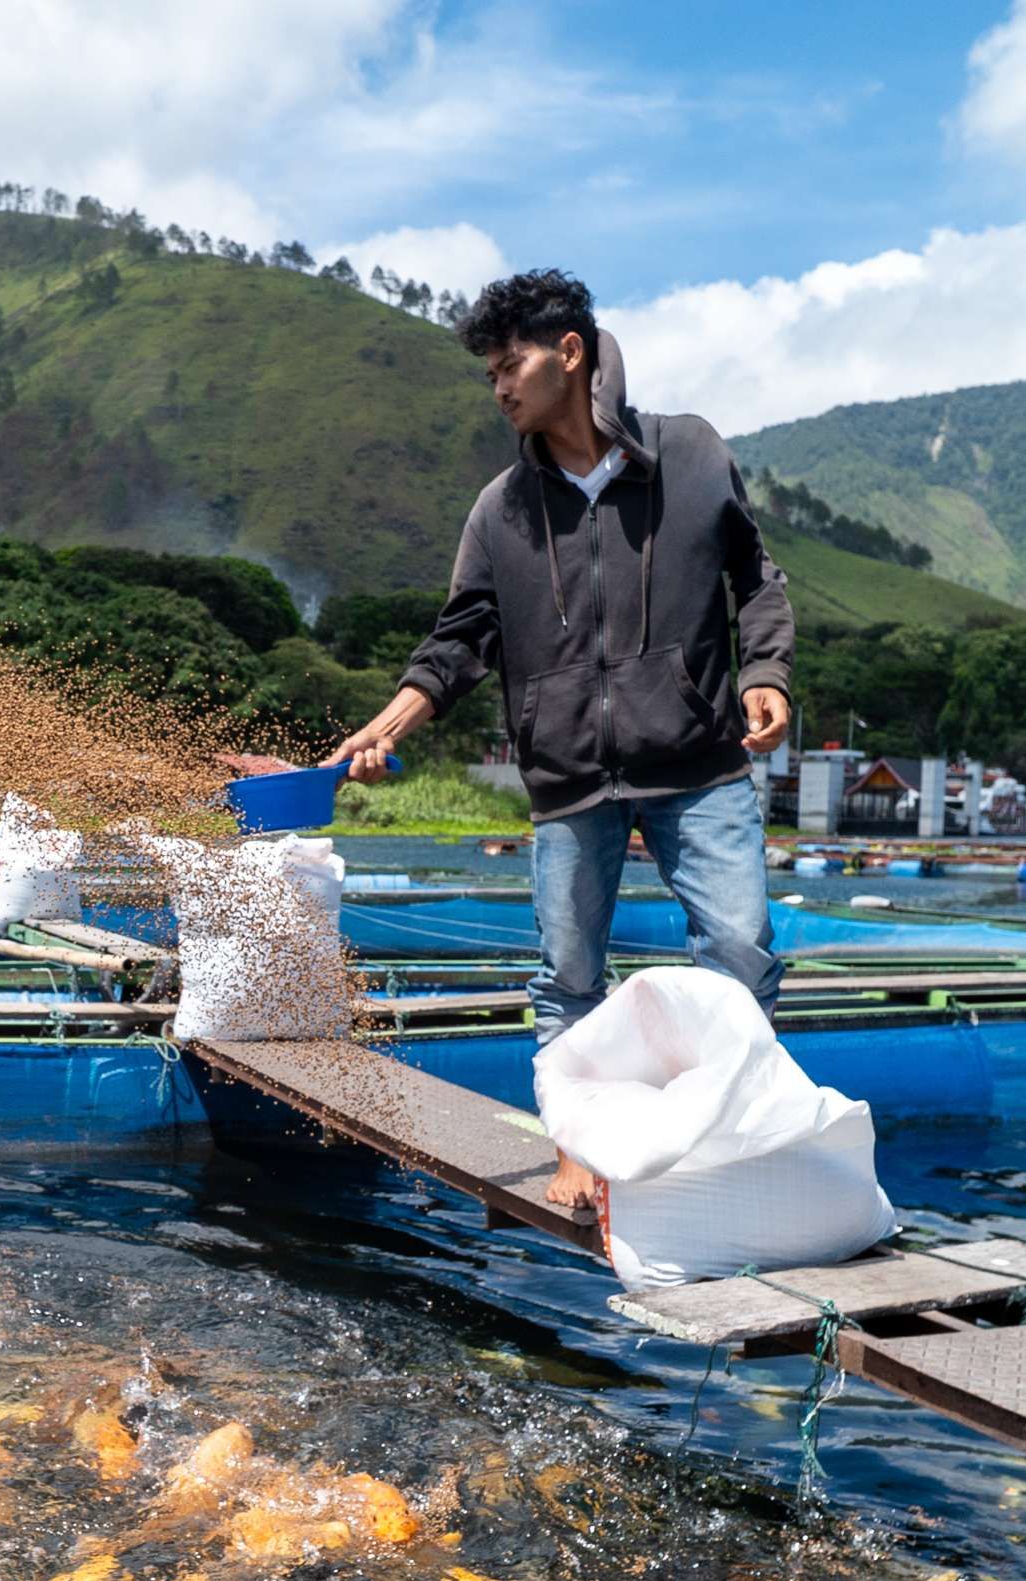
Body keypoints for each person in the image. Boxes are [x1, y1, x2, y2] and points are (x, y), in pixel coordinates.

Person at [329, 269, 794, 1212]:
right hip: (570, 777)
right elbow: (459, 642)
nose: (499, 387)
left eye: (511, 366)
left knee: (740, 950)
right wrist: (382, 729)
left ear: (569, 354)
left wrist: (766, 673)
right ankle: (578, 1146)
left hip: (699, 763)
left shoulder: (691, 453)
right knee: (569, 975)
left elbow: (757, 578)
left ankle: (726, 1139)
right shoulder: (501, 509)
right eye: (492, 373)